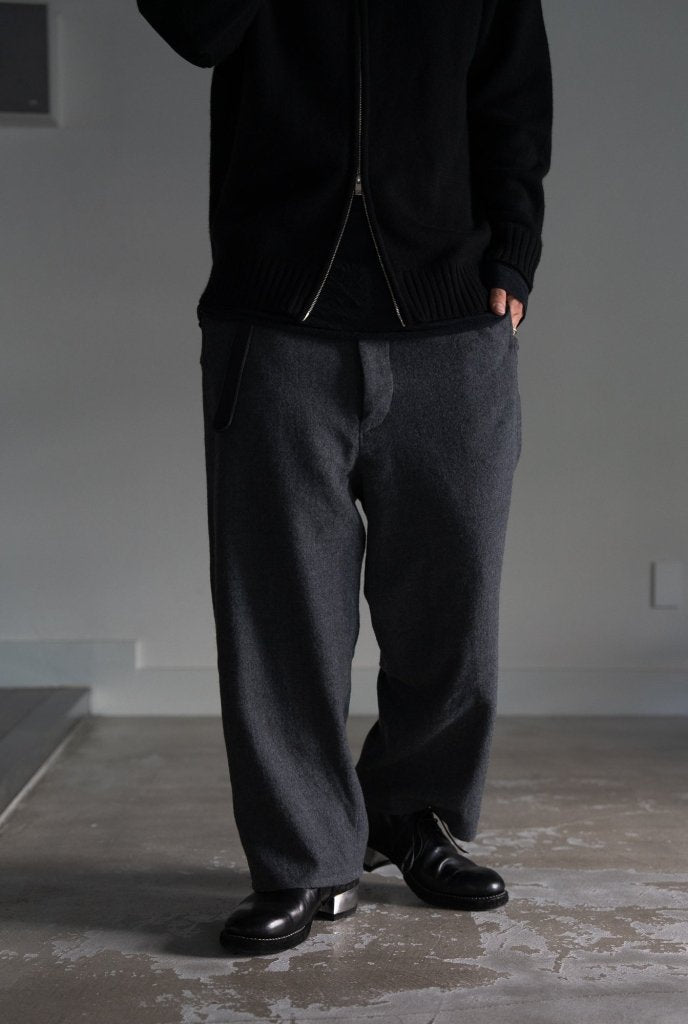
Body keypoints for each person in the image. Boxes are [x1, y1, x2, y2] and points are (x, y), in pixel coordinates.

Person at [136, 0, 552, 956]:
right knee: (279, 610)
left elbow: (513, 100)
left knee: (452, 602)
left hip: (450, 319)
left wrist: (514, 254)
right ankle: (301, 859)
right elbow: (193, 27)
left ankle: (409, 811)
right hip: (277, 319)